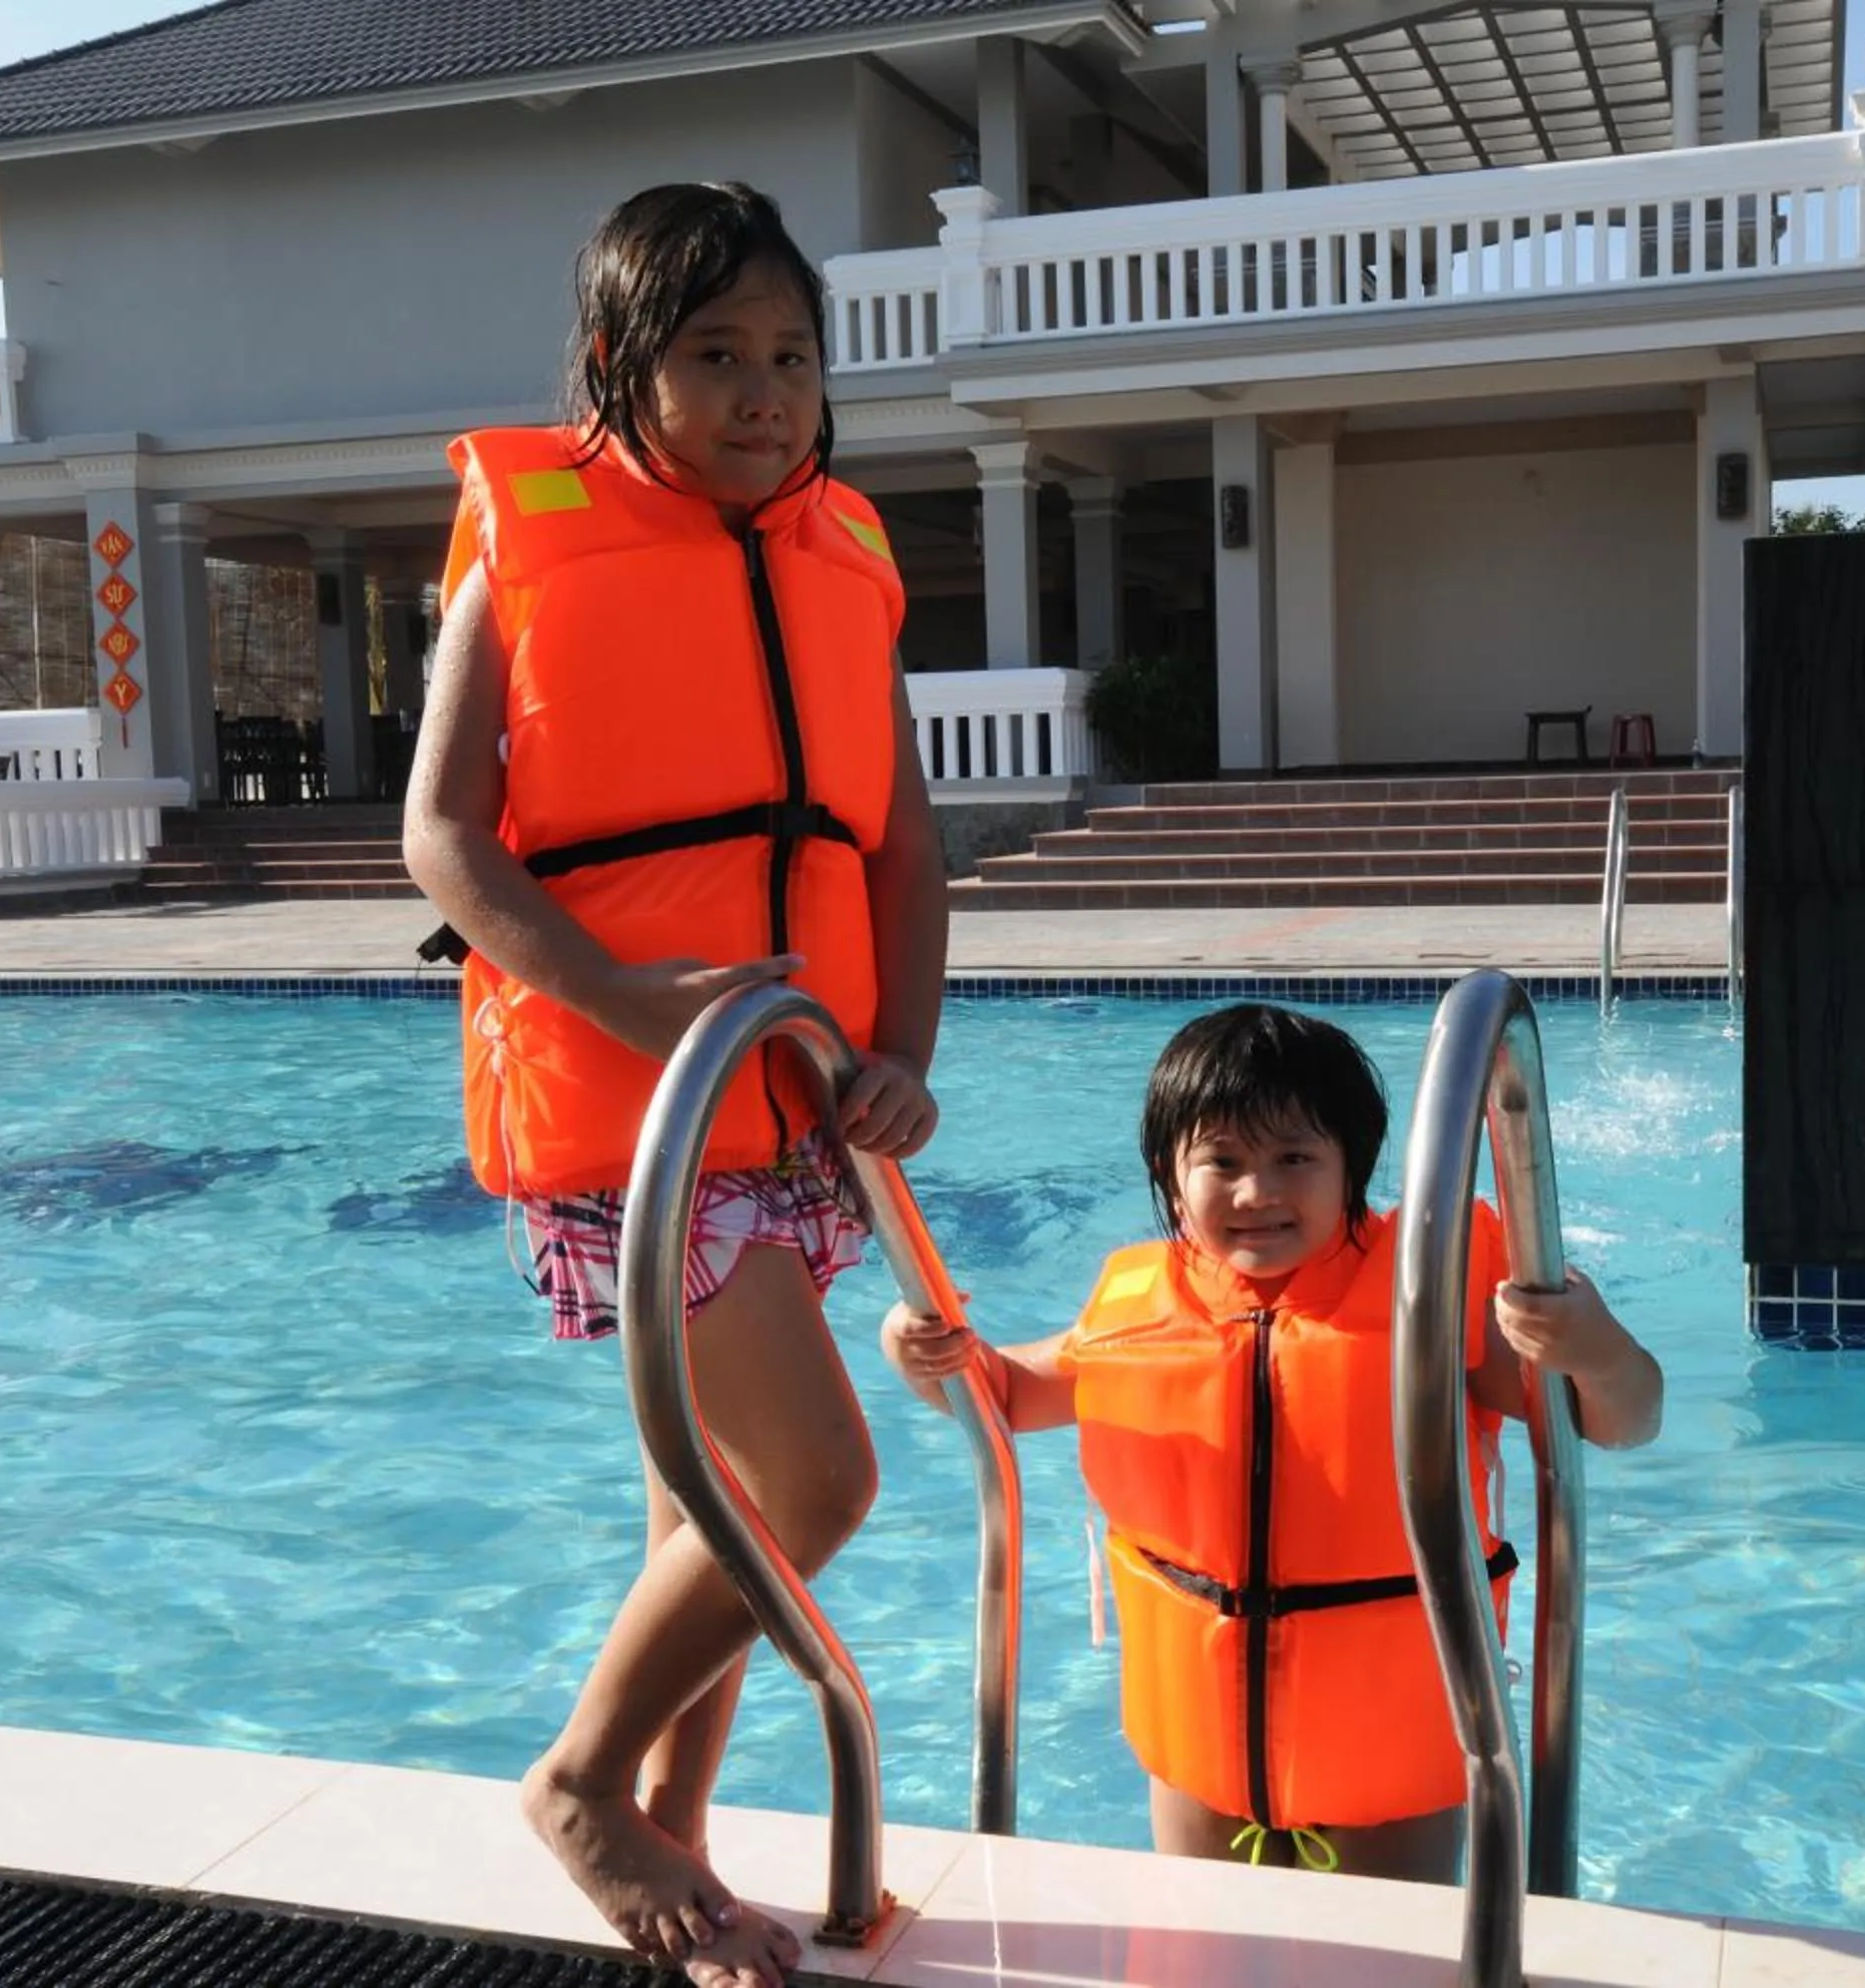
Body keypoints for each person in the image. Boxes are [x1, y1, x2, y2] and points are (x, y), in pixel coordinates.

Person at [403, 182, 947, 1988]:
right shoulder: (533, 543)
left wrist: (904, 1054)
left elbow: (902, 848)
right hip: (637, 1114)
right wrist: (623, 993)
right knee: (812, 1480)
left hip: (788, 1100)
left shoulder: (846, 556)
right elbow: (444, 838)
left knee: (695, 1498)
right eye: (714, 355)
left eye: (791, 355)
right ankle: (579, 1783)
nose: (763, 392)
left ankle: (680, 1830)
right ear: (615, 371)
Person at [883, 1004, 1660, 1883]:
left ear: (1351, 1170)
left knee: (1388, 1960)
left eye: (1295, 1158)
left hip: (1386, 1754)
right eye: (1222, 1161)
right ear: (1171, 1179)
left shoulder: (1427, 1308)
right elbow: (1003, 1397)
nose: (1258, 1193)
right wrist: (918, 1353)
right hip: (1201, 1750)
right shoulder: (1144, 1309)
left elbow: (1623, 1419)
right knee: (1207, 1948)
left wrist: (1595, 1349)